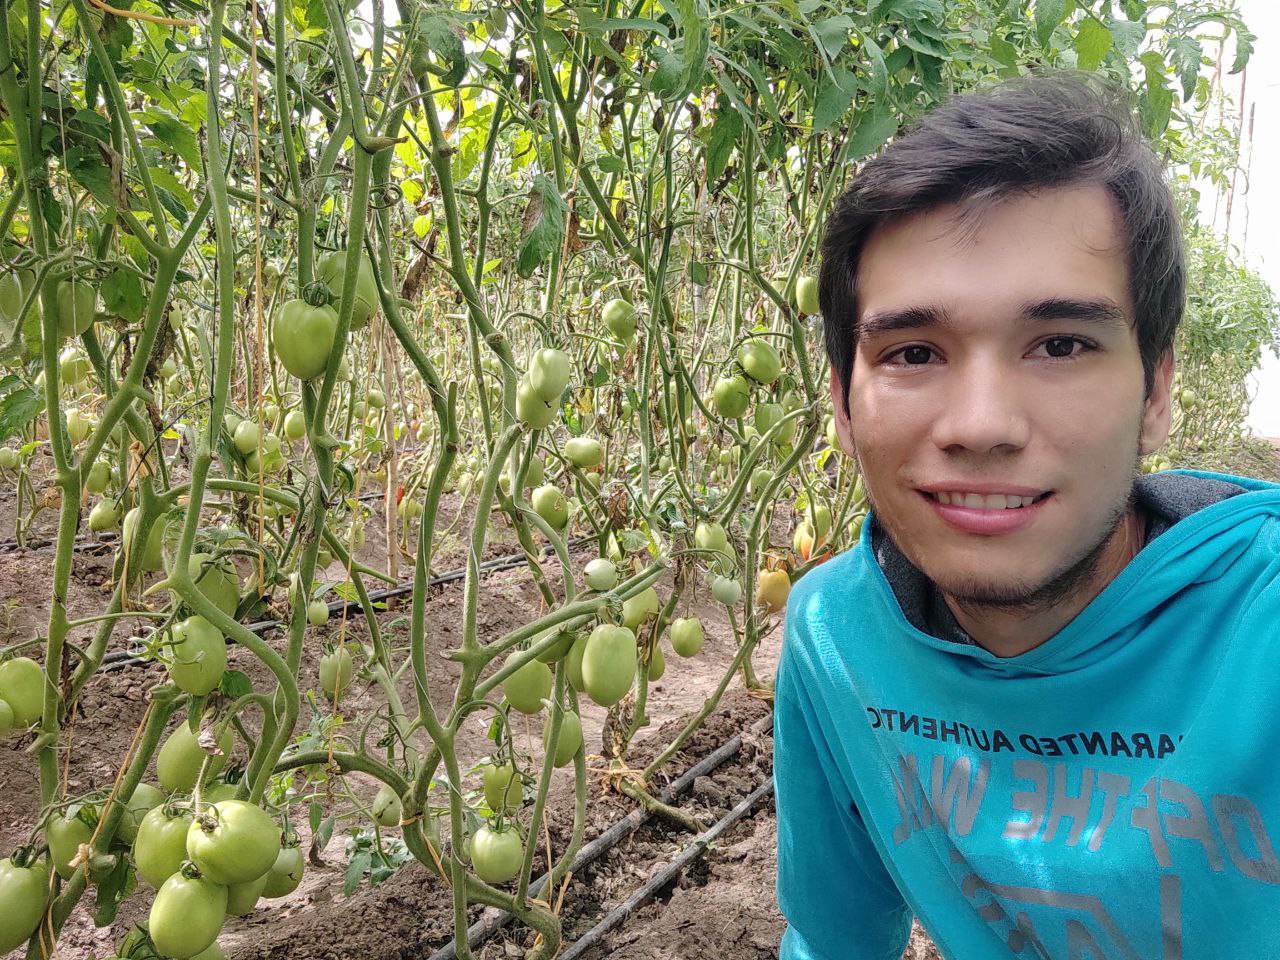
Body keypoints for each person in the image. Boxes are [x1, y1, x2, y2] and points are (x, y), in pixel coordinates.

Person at [773, 68, 1280, 960]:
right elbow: (831, 939)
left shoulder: (1260, 633)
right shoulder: (834, 638)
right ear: (844, 407)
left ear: (1157, 390)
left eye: (1060, 344)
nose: (981, 426)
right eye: (914, 351)